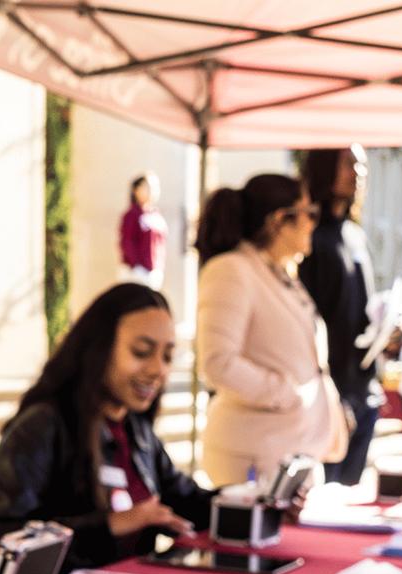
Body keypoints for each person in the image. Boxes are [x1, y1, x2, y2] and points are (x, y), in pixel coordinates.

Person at [0, 283, 212, 574]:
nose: (159, 369)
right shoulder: (43, 426)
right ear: (99, 349)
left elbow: (189, 502)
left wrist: (257, 503)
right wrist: (109, 525)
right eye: (141, 352)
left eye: (167, 356)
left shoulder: (136, 430)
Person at [195, 174, 347, 487]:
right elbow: (217, 362)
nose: (313, 224)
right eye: (309, 214)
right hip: (254, 457)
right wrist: (286, 394)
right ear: (279, 220)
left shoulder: (278, 273)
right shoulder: (231, 270)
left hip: (296, 451)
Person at [299, 146, 382, 484]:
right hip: (329, 393)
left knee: (349, 495)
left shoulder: (355, 234)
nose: (358, 172)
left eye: (362, 164)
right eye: (349, 163)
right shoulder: (310, 237)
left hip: (365, 388)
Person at [119, 173, 168, 290]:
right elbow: (127, 242)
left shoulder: (156, 215)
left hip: (154, 273)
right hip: (136, 273)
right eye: (148, 187)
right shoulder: (132, 215)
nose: (152, 191)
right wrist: (137, 267)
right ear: (136, 190)